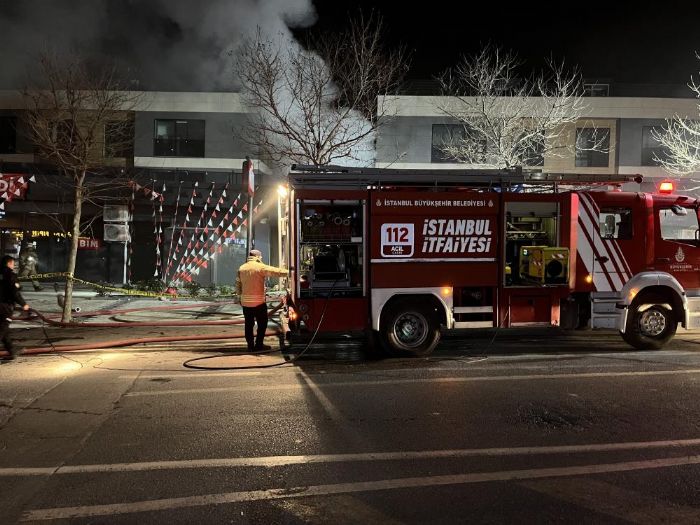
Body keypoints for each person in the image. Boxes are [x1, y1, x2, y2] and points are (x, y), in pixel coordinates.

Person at [235, 249, 287, 351]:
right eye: (261, 257)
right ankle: (259, 344)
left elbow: (238, 285)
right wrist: (290, 272)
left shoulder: (241, 268)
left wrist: (240, 297)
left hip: (246, 303)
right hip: (259, 303)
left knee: (248, 325)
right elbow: (275, 271)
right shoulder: (260, 267)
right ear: (258, 257)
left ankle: (250, 346)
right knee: (262, 323)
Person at [0, 255, 30, 360]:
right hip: (5, 307)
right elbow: (14, 293)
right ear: (9, 263)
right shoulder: (11, 275)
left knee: (4, 330)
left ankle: (11, 351)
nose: (14, 265)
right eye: (13, 263)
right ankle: (11, 351)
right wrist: (24, 304)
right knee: (2, 329)